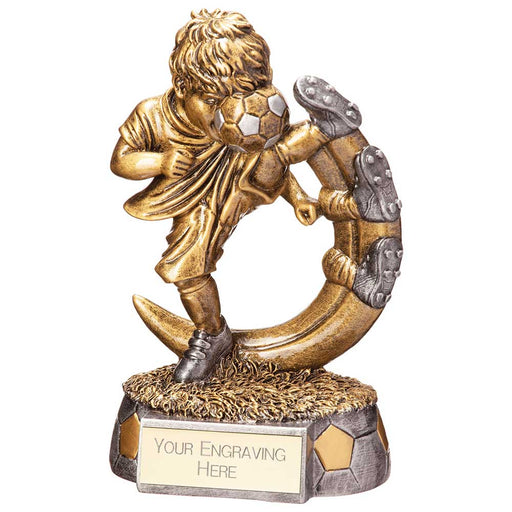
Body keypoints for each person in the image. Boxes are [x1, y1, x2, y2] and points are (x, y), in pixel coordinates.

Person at [111, 9, 400, 383]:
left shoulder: (243, 126)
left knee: (272, 154)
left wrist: (298, 197)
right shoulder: (152, 114)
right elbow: (121, 160)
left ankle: (325, 132)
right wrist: (160, 160)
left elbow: (267, 153)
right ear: (182, 86)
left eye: (243, 97)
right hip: (195, 200)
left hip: (244, 177)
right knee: (187, 269)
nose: (231, 112)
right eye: (214, 100)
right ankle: (211, 335)